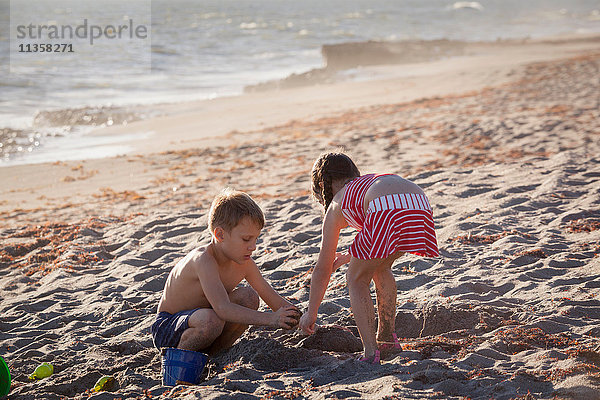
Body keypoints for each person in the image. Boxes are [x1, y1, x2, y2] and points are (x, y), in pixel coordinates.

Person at [299, 152, 439, 363]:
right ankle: (387, 339)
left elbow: (322, 268)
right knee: (381, 268)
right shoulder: (364, 183)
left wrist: (311, 313)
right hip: (418, 201)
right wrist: (349, 256)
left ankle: (371, 352)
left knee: (356, 279)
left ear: (322, 185)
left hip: (385, 204)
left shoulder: (338, 201)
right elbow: (376, 247)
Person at [152, 188, 301, 355]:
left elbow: (273, 300)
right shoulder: (203, 260)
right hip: (169, 327)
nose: (253, 246)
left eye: (255, 238)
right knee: (210, 320)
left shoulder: (244, 263)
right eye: (246, 239)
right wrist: (271, 319)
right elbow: (222, 308)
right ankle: (177, 362)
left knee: (248, 297)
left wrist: (306, 322)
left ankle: (214, 355)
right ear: (220, 234)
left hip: (206, 323)